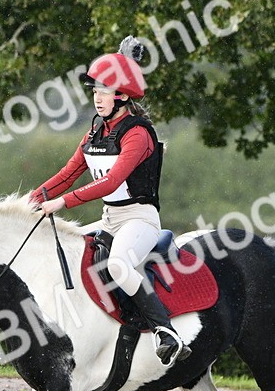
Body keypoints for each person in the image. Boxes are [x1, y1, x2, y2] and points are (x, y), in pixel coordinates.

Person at [31, 38, 191, 367]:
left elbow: (112, 181)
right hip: (108, 219)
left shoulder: (138, 134)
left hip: (139, 220)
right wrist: (31, 200)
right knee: (67, 248)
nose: (97, 98)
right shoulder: (95, 134)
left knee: (118, 264)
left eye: (104, 91)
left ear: (121, 95)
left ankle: (165, 332)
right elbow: (67, 174)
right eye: (94, 92)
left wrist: (60, 204)